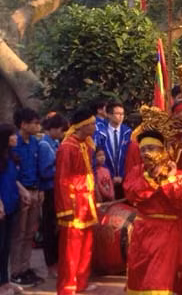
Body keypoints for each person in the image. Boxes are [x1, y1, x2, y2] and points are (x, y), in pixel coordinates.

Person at [124, 129, 182, 295]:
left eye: (151, 148)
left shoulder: (178, 174)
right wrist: (151, 178)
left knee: (157, 279)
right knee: (138, 275)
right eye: (143, 150)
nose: (146, 153)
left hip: (166, 232)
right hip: (142, 231)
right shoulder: (137, 172)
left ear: (162, 150)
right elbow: (132, 194)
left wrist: (169, 179)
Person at [55, 108, 98, 294]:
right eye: (92, 124)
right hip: (73, 204)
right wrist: (65, 208)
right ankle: (67, 287)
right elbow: (62, 180)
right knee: (70, 248)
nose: (95, 127)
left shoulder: (86, 145)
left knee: (86, 244)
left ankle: (81, 282)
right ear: (82, 126)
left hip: (87, 202)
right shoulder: (67, 148)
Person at [10, 108, 44, 288]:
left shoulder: (34, 142)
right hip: (20, 192)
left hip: (35, 190)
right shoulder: (13, 143)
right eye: (35, 123)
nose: (38, 126)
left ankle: (25, 267)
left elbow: (38, 167)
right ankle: (15, 272)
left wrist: (40, 189)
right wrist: (21, 190)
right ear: (23, 124)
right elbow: (10, 172)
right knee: (19, 233)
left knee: (30, 232)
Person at [38, 113, 67, 279]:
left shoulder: (55, 143)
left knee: (57, 227)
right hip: (49, 190)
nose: (62, 134)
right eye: (61, 130)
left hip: (57, 189)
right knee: (49, 227)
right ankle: (51, 264)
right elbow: (45, 171)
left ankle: (57, 260)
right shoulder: (44, 145)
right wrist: (61, 170)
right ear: (54, 129)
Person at [0, 124, 21, 295]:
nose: (15, 137)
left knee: (7, 246)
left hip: (11, 205)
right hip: (2, 207)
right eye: (12, 135)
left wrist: (24, 191)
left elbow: (13, 179)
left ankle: (5, 281)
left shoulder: (11, 156)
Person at [95, 102, 131, 199]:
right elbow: (99, 156)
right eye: (117, 114)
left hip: (125, 178)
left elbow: (130, 156)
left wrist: (123, 176)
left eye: (122, 114)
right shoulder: (101, 133)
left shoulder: (128, 132)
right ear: (109, 115)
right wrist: (110, 175)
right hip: (106, 179)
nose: (121, 116)